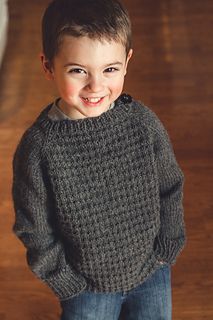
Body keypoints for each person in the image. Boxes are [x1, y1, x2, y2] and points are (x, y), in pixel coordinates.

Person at [12, 0, 186, 319]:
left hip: (152, 270)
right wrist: (64, 281)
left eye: (110, 69)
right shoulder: (38, 147)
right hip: (86, 289)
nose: (96, 86)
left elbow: (170, 186)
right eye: (78, 70)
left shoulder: (142, 123)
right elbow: (33, 225)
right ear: (48, 66)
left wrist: (167, 246)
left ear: (126, 62)